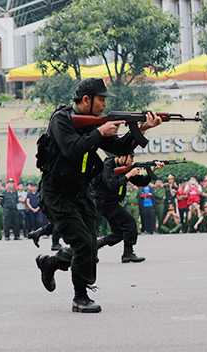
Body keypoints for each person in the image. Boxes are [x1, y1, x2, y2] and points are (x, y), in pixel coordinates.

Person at [34, 78, 161, 313]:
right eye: (101, 99)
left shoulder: (94, 125)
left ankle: (51, 262)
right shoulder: (61, 120)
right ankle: (80, 297)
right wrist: (100, 131)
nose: (104, 104)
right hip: (57, 194)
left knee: (91, 244)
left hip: (81, 194)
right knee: (83, 242)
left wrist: (141, 128)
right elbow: (71, 149)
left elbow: (120, 148)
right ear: (86, 100)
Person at [92, 153, 164, 262]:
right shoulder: (108, 165)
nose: (132, 160)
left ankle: (94, 247)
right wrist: (129, 174)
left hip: (110, 202)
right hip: (104, 202)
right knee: (130, 222)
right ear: (122, 156)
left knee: (119, 233)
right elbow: (112, 185)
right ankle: (128, 253)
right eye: (131, 157)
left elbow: (142, 182)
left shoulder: (126, 169)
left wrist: (153, 170)